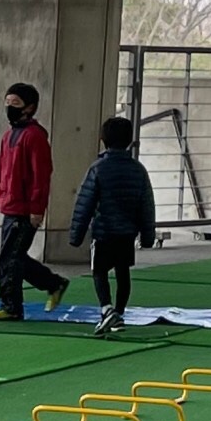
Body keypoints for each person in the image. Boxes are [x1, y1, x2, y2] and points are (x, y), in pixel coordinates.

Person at [68, 114, 158, 338]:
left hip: (104, 231)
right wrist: (148, 236)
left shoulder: (98, 168)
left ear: (103, 139)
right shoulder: (138, 170)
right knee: (123, 272)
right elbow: (147, 205)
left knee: (99, 271)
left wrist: (76, 235)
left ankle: (106, 309)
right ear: (130, 140)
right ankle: (119, 313)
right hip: (127, 232)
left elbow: (84, 203)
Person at [0, 82, 70, 321]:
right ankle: (54, 283)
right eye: (7, 103)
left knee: (10, 259)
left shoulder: (34, 136)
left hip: (24, 210)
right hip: (9, 206)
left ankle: (12, 306)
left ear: (29, 108)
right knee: (14, 257)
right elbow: (1, 174)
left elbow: (41, 177)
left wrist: (36, 209)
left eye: (16, 103)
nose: (10, 108)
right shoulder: (8, 136)